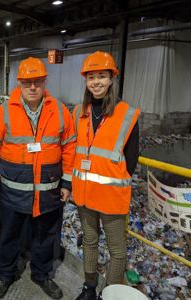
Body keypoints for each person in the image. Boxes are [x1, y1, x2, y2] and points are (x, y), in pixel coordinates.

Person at [0, 57, 76, 300]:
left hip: (49, 192)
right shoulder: (4, 112)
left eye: (37, 82)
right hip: (13, 192)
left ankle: (42, 275)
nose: (32, 87)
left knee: (45, 237)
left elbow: (69, 148)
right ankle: (6, 274)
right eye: (27, 83)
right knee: (10, 236)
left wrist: (66, 183)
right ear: (19, 84)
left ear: (44, 82)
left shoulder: (61, 111)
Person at [71, 51, 140, 300]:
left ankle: (110, 293)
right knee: (89, 242)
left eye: (102, 76)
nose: (96, 82)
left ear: (111, 79)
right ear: (86, 81)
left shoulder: (126, 114)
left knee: (117, 251)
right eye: (91, 77)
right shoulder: (79, 112)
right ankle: (89, 288)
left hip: (111, 197)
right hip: (84, 195)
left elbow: (131, 161)